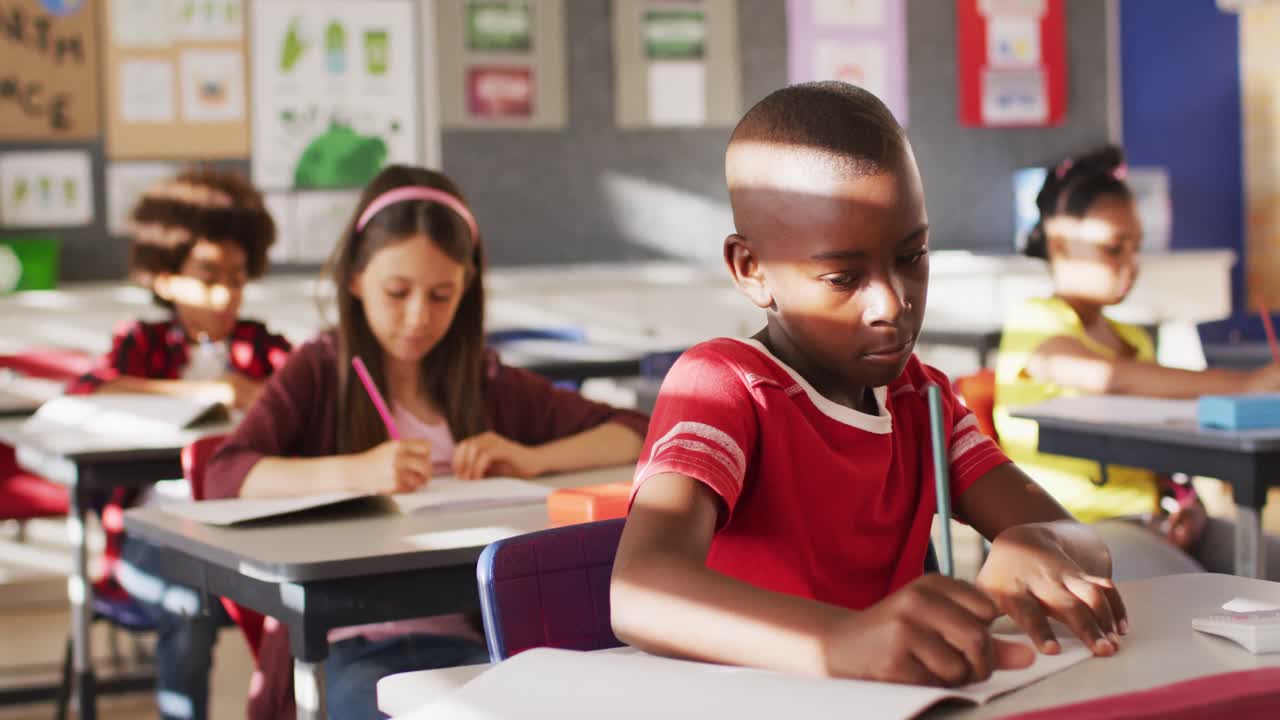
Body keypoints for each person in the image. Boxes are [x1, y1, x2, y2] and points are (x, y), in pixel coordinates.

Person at [611, 82, 1127, 688]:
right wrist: (838, 641)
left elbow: (1085, 543)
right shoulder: (725, 388)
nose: (892, 302)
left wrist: (1032, 541)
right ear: (751, 270)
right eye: (842, 276)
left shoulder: (923, 399)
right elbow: (639, 592)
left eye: (912, 256)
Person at [205, 164, 650, 718]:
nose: (419, 317)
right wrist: (359, 472)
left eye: (442, 295)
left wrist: (532, 459)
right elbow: (225, 475)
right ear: (354, 279)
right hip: (347, 645)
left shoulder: (485, 383)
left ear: (467, 287)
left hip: (471, 643)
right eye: (397, 292)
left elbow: (635, 432)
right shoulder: (320, 370)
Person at [994, 145, 1280, 580]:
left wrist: (1189, 507)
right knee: (1208, 588)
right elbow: (1108, 378)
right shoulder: (1036, 321)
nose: (1131, 264)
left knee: (1267, 563)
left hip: (1159, 523)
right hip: (1077, 529)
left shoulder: (1132, 340)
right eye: (1113, 248)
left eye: (1136, 247)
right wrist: (1242, 385)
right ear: (1059, 244)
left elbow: (1163, 450)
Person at [71, 167, 291, 720]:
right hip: (152, 535)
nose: (226, 294)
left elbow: (306, 397)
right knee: (185, 604)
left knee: (299, 598)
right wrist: (204, 389)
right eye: (209, 276)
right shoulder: (140, 342)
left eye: (238, 278)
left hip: (238, 530)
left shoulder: (261, 347)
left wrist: (255, 393)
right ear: (165, 279)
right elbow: (91, 388)